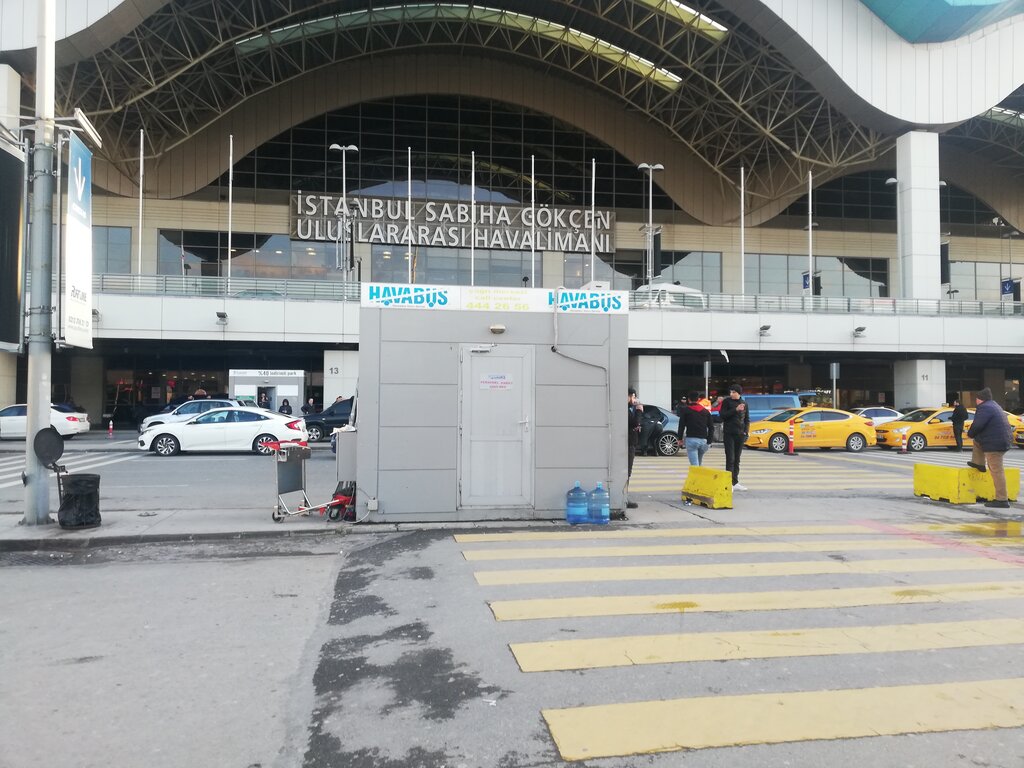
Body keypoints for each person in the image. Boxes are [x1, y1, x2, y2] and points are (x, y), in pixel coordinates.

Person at [966, 387, 1013, 508]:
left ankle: (1002, 499)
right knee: (977, 441)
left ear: (980, 399)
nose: (975, 401)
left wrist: (969, 434)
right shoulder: (994, 405)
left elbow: (978, 425)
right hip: (1001, 440)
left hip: (995, 444)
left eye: (976, 399)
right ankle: (979, 463)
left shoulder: (984, 408)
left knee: (996, 471)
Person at [719, 384, 750, 491]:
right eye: (730, 392)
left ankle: (735, 482)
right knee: (730, 458)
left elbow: (747, 419)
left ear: (739, 393)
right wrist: (735, 410)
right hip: (729, 434)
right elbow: (722, 415)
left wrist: (746, 432)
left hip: (740, 434)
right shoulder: (727, 402)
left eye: (733, 392)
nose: (731, 394)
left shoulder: (744, 403)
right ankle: (728, 483)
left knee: (737, 459)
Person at [680, 390, 714, 467]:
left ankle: (697, 474)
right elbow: (711, 427)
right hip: (703, 441)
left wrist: (680, 439)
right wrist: (709, 441)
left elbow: (681, 426)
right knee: (699, 463)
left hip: (691, 439)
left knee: (695, 465)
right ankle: (699, 474)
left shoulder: (685, 411)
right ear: (698, 399)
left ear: (689, 399)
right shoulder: (705, 412)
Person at [626, 387, 642, 509]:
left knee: (627, 471)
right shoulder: (625, 409)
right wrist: (639, 410)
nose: (634, 400)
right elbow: (635, 422)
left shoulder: (627, 409)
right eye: (633, 397)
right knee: (627, 471)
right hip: (628, 443)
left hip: (630, 442)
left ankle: (624, 497)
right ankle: (624, 498)